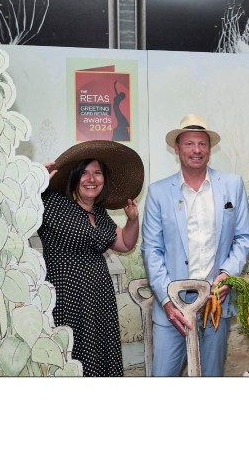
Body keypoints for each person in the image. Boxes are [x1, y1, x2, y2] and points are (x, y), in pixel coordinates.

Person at [141, 114, 249, 376]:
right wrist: (168, 302)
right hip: (172, 309)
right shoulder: (158, 192)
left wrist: (227, 275)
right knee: (163, 376)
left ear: (210, 149)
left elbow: (244, 238)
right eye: (189, 144)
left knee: (211, 375)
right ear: (177, 148)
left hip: (216, 302)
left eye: (202, 144)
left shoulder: (232, 185)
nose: (196, 150)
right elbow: (152, 250)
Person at [39, 140, 144, 376]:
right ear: (75, 178)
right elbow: (21, 207)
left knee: (100, 358)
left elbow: (126, 243)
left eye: (97, 173)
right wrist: (35, 180)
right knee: (72, 362)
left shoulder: (100, 214)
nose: (91, 179)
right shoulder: (54, 202)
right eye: (84, 173)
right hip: (67, 301)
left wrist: (133, 219)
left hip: (99, 300)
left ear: (104, 179)